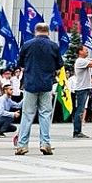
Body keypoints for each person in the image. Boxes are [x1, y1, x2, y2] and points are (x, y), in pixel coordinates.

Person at [15, 22, 61, 155]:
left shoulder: (27, 45)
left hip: (30, 84)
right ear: (47, 31)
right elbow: (59, 65)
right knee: (45, 114)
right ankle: (45, 143)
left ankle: (22, 145)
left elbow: (21, 63)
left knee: (27, 114)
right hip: (46, 84)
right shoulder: (53, 46)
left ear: (36, 31)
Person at [71, 43, 92, 138]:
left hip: (85, 88)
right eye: (85, 50)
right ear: (80, 52)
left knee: (81, 110)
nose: (87, 51)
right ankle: (77, 131)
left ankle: (78, 131)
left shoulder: (84, 60)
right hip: (81, 89)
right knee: (80, 110)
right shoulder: (80, 61)